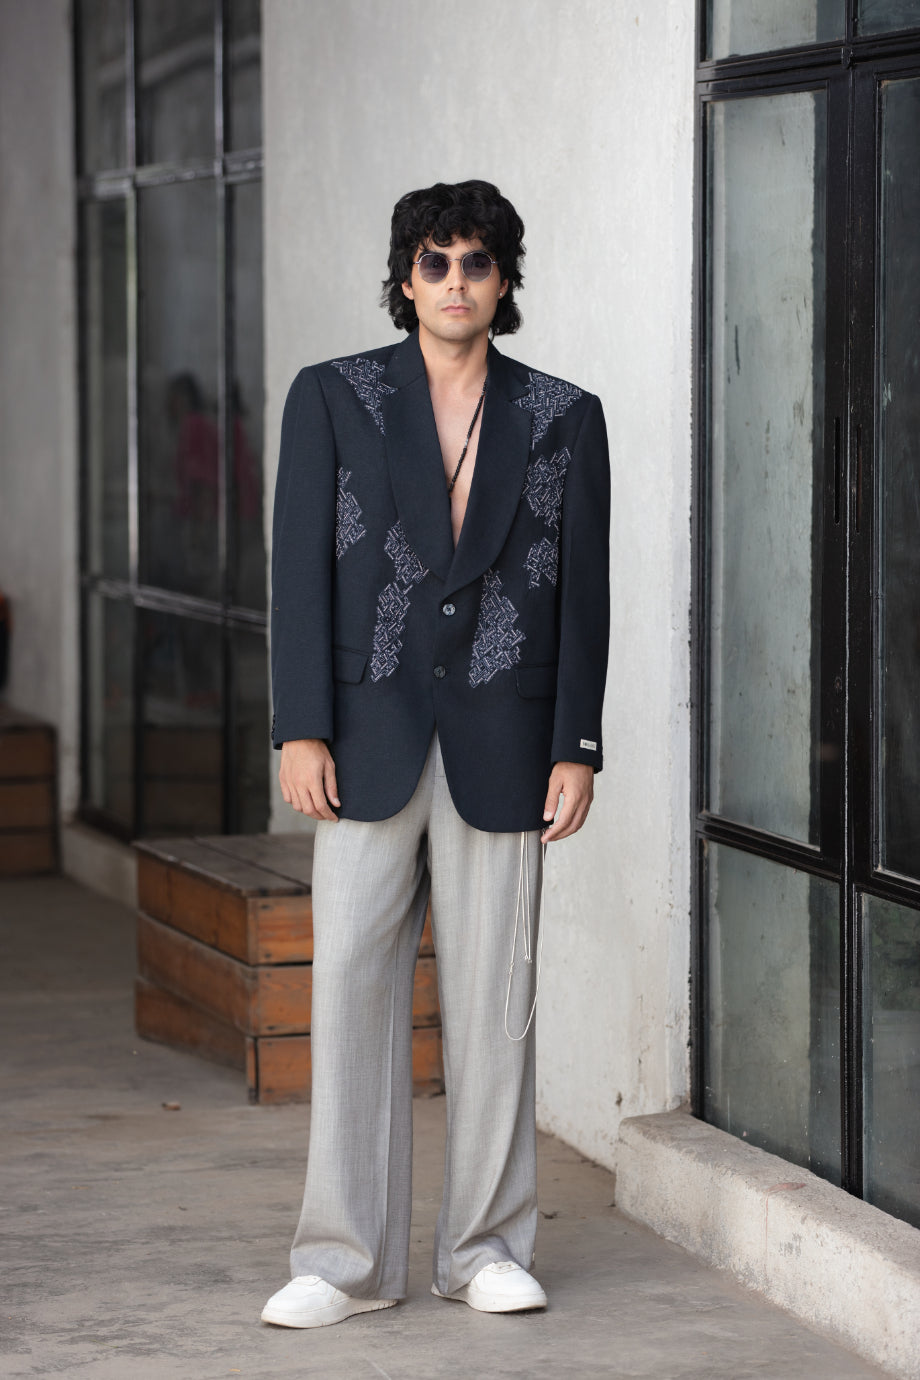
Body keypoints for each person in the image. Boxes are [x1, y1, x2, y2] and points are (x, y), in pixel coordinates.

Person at [262, 179, 610, 1329]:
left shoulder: (561, 416)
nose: (454, 282)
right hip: (365, 738)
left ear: (503, 282)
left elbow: (583, 597)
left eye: (475, 263)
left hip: (506, 741)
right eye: (433, 261)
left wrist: (575, 743)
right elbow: (297, 570)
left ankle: (486, 1248)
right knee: (349, 994)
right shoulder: (333, 397)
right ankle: (342, 1263)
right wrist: (299, 724)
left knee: (497, 1001)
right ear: (404, 278)